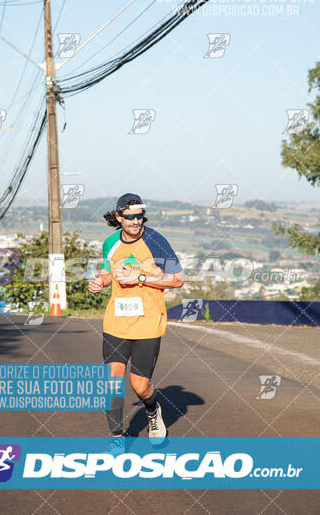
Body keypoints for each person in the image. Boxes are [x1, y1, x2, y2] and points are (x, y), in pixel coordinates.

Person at [88, 193, 184, 450]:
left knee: (139, 386)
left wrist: (140, 278)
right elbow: (110, 273)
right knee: (112, 379)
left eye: (139, 216)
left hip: (148, 322)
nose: (135, 221)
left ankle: (153, 411)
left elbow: (177, 279)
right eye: (129, 217)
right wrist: (100, 281)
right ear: (119, 217)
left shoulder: (155, 241)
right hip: (117, 320)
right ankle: (117, 438)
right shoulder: (110, 243)